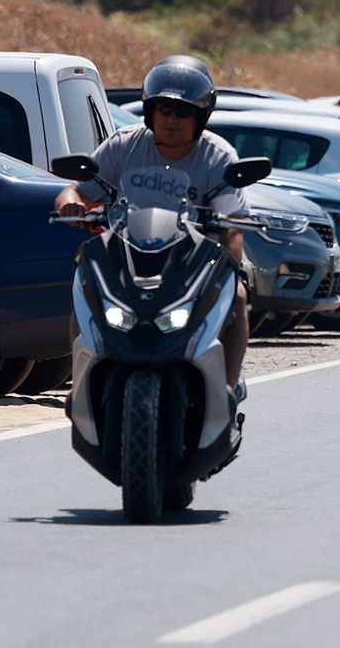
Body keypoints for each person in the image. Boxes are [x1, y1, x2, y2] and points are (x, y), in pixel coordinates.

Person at [53, 55, 251, 396]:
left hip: (194, 265)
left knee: (238, 298)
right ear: (150, 111)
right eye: (164, 109)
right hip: (126, 261)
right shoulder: (124, 144)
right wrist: (71, 204)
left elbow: (232, 226)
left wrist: (231, 269)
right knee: (86, 288)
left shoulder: (218, 156)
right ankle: (84, 381)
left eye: (183, 112)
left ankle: (228, 390)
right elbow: (75, 190)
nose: (171, 119)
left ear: (201, 116)